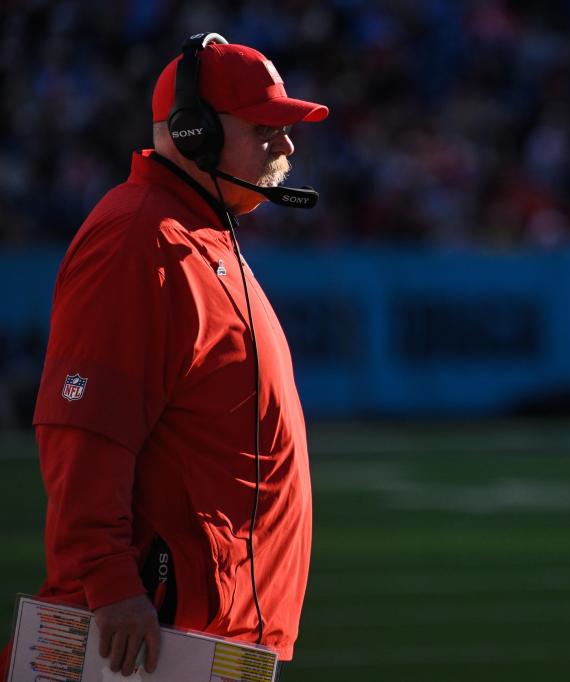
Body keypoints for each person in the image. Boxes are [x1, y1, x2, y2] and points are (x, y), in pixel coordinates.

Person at [0, 34, 328, 679]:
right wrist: (111, 585)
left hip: (206, 633)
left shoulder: (197, 232)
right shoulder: (139, 239)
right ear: (193, 132)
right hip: (150, 636)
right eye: (264, 129)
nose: (286, 146)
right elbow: (84, 427)